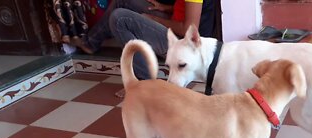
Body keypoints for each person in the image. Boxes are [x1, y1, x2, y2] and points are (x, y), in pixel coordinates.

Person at [77, 0, 215, 81]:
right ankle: (90, 43)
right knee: (122, 1)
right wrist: (165, 7)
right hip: (176, 27)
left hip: (185, 46)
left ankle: (145, 81)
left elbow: (188, 30)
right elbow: (189, 8)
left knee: (119, 18)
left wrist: (154, 19)